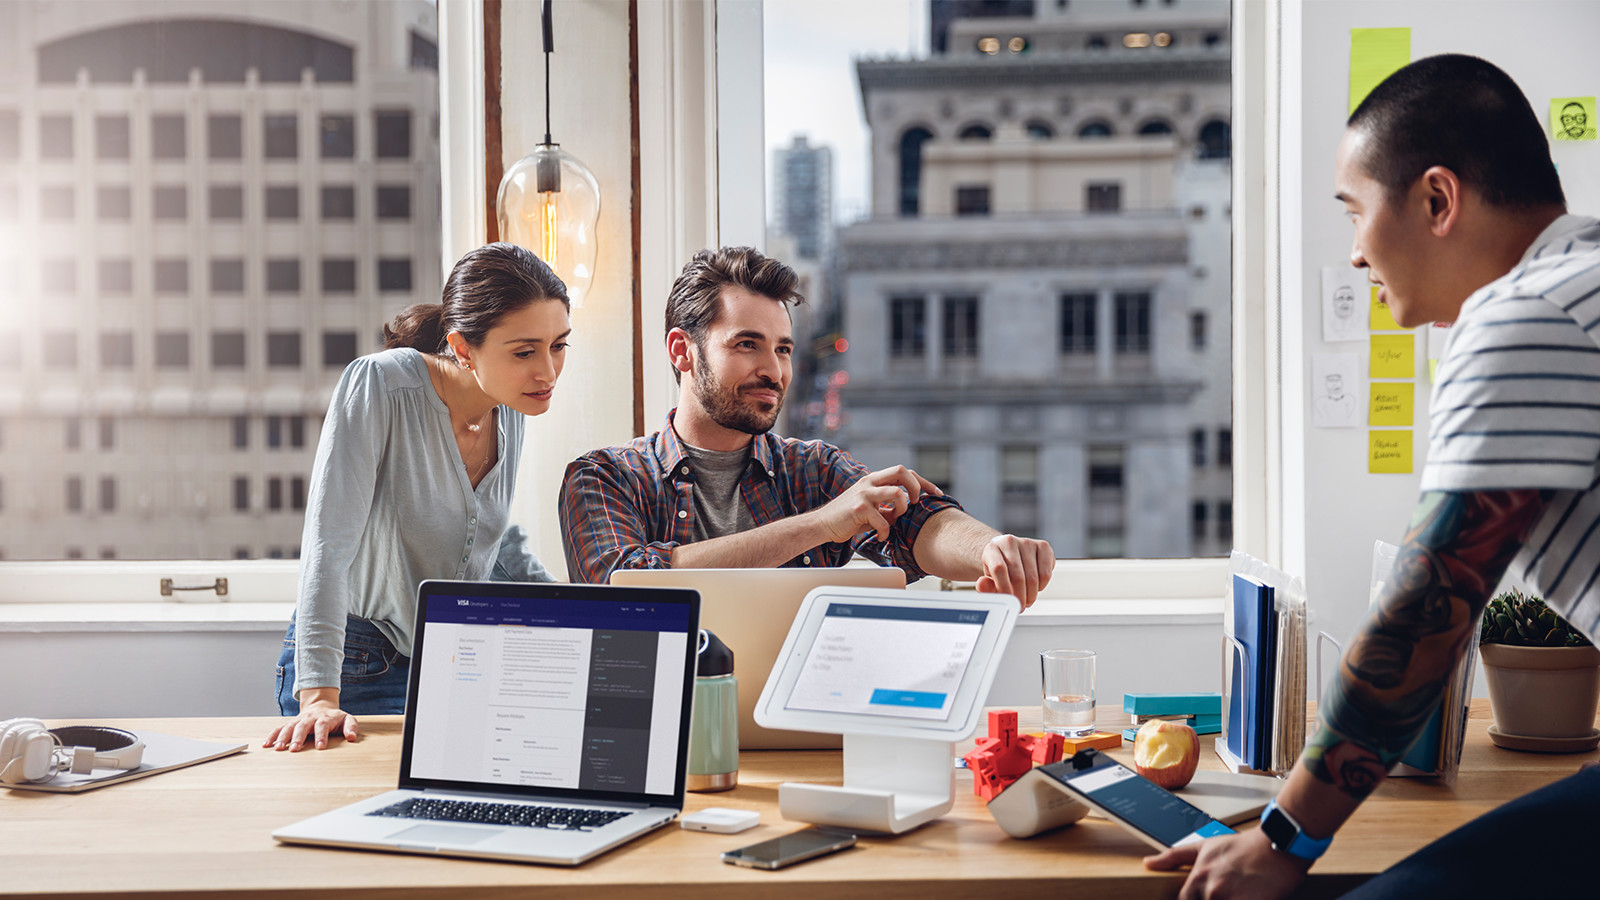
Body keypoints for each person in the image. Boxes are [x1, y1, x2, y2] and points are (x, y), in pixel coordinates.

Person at [1147, 54, 1600, 898]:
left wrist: (1282, 840)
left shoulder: (1527, 313)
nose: (1355, 255)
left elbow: (1422, 619)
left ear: (1437, 199)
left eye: (1355, 212)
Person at [558, 246, 1056, 608]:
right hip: (655, 732)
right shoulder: (603, 477)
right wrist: (821, 524)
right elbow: (623, 583)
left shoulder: (813, 470)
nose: (774, 371)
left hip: (800, 729)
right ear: (682, 351)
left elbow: (918, 521)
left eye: (783, 348)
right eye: (747, 344)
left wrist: (992, 551)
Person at [266, 243, 571, 753]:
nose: (548, 372)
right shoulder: (382, 385)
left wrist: (588, 620)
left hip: (454, 660)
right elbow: (328, 544)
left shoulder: (512, 404)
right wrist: (318, 696)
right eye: (524, 351)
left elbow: (494, 547)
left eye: (559, 345)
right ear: (463, 346)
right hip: (355, 665)